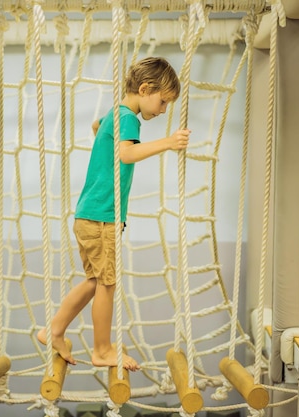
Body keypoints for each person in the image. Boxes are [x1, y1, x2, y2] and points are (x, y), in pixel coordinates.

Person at [37, 57, 191, 371]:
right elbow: (127, 152)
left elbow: (98, 128)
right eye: (162, 102)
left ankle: (52, 330)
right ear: (145, 89)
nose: (162, 110)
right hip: (102, 216)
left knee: (96, 280)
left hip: (90, 215)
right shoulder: (128, 118)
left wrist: (102, 134)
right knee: (106, 284)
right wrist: (169, 142)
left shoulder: (114, 115)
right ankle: (102, 349)